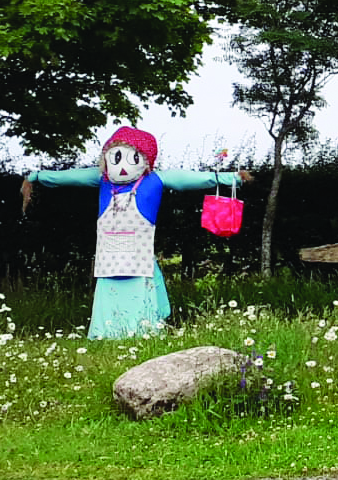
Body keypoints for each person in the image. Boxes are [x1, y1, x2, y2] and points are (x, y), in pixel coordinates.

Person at [21, 126, 246, 340]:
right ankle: (104, 332)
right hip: (108, 259)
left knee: (140, 291)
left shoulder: (154, 180)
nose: (123, 167)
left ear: (146, 161)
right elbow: (71, 176)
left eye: (133, 158)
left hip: (139, 259)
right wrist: (39, 176)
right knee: (109, 291)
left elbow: (188, 178)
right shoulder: (103, 180)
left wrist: (225, 178)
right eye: (115, 157)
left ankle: (142, 332)